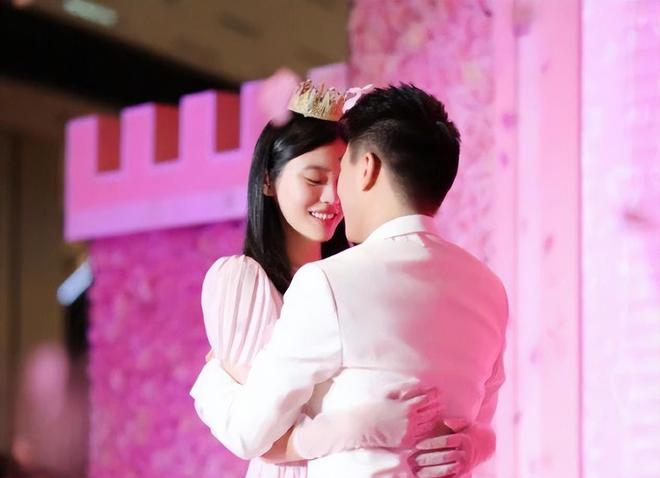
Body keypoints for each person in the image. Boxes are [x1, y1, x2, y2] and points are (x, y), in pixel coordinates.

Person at [192, 82, 505, 477]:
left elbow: (249, 431)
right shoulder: (489, 287)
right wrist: (477, 446)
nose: (334, 195)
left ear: (367, 168)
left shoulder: (329, 283)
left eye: (342, 171)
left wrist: (212, 378)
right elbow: (476, 424)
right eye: (314, 179)